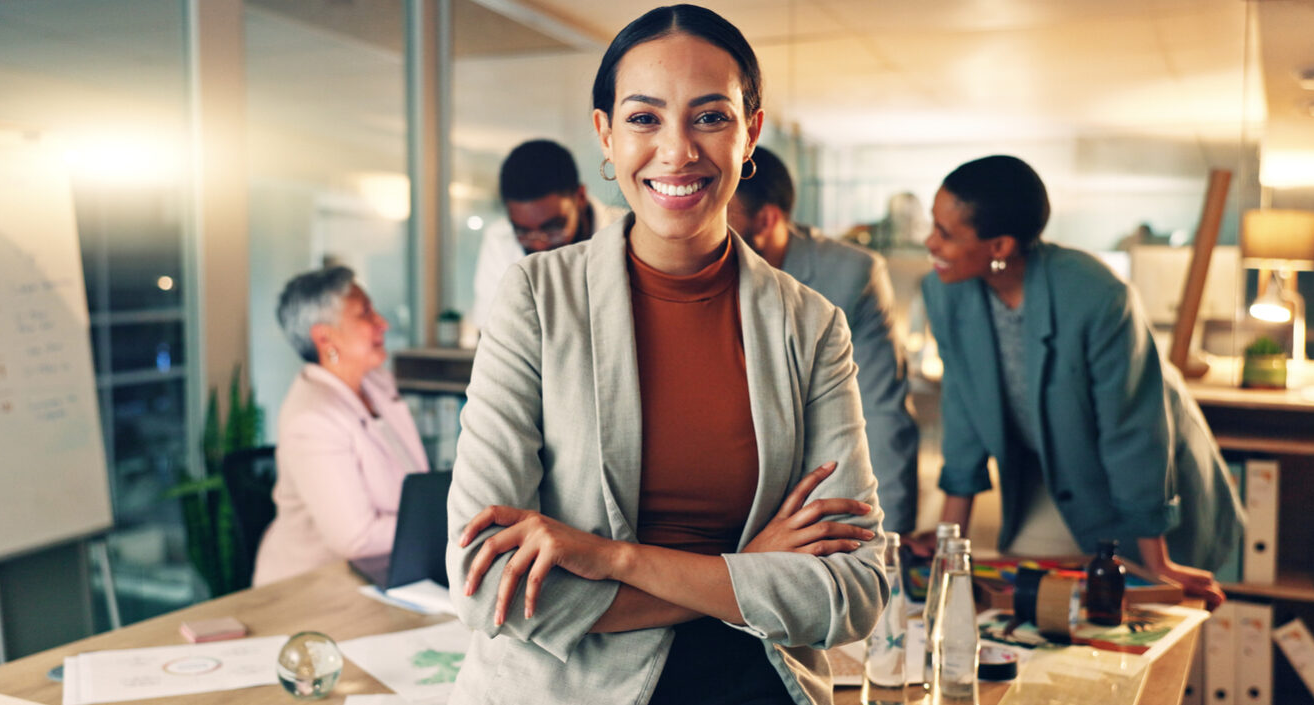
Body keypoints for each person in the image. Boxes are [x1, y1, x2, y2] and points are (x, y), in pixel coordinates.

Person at [445, 6, 887, 705]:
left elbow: (855, 589)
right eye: (645, 118)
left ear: (751, 133)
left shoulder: (810, 325)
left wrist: (612, 559)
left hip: (757, 685)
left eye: (710, 117)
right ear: (606, 134)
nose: (677, 151)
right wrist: (743, 572)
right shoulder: (536, 298)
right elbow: (487, 584)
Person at [918, 155, 1243, 608]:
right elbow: (963, 408)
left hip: (1139, 478)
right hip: (1043, 473)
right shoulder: (944, 291)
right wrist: (946, 541)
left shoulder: (1097, 296)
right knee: (1037, 608)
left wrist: (1158, 563)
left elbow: (1133, 432)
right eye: (933, 226)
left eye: (946, 233)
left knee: (1138, 602)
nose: (929, 242)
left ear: (999, 246)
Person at [728, 146, 920, 534]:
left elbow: (883, 414)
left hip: (814, 498)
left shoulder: (851, 276)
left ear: (765, 220)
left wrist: (889, 543)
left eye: (719, 214)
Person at [252, 266, 429, 586]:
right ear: (324, 337)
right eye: (365, 313)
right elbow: (356, 538)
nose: (383, 323)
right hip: (312, 587)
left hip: (386, 571)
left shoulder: (376, 382)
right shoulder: (312, 418)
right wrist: (445, 519)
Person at [468, 139, 626, 331]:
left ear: (580, 197)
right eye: (523, 232)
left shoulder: (628, 232)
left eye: (553, 228)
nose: (539, 245)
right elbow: (488, 329)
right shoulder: (501, 239)